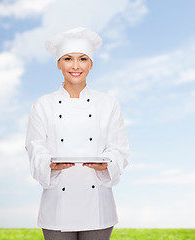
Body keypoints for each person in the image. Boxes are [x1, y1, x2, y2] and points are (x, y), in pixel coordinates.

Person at [25, 27, 130, 240]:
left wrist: (107, 163)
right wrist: (49, 164)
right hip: (57, 206)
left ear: (91, 64)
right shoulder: (43, 105)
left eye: (82, 59)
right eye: (68, 59)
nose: (75, 66)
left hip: (97, 205)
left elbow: (119, 148)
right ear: (58, 64)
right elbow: (35, 148)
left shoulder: (108, 104)